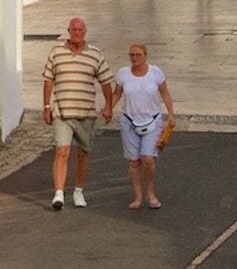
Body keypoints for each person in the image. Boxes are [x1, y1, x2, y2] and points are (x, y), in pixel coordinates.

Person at [37, 16, 116, 211]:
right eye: (74, 30)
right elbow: (48, 80)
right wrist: (46, 107)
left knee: (82, 153)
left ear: (85, 32)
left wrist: (108, 106)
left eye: (80, 30)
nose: (77, 33)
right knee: (62, 151)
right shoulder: (57, 52)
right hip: (62, 112)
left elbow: (105, 81)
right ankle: (59, 193)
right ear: (68, 31)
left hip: (86, 113)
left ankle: (79, 190)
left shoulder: (95, 54)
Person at [111, 41, 176, 209]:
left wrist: (171, 114)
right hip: (129, 120)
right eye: (132, 55)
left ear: (145, 56)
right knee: (134, 162)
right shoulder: (123, 74)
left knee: (147, 158)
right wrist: (108, 108)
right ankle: (138, 197)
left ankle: (151, 193)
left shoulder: (155, 73)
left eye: (138, 55)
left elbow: (165, 92)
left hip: (152, 119)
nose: (135, 58)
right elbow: (117, 94)